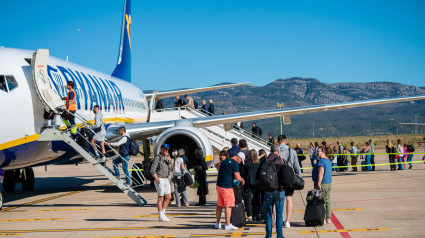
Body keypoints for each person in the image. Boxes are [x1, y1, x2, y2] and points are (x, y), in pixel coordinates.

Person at [259, 144, 285, 238]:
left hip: (267, 190)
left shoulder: (265, 160)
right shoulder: (280, 161)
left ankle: (268, 235)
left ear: (270, 151)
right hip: (279, 190)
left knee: (268, 214)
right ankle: (279, 235)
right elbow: (286, 175)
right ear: (278, 151)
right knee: (279, 215)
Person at [215, 152, 245, 230]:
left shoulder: (224, 161)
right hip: (227, 187)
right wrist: (242, 180)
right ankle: (228, 224)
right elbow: (237, 177)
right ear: (239, 158)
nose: (240, 163)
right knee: (229, 205)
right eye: (241, 161)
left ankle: (218, 223)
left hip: (219, 185)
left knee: (219, 205)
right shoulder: (234, 164)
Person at [277, 135, 301, 228]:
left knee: (278, 199)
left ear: (278, 141)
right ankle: (287, 221)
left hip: (279, 178)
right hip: (290, 178)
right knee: (289, 198)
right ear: (286, 141)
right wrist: (299, 178)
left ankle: (277, 219)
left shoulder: (276, 151)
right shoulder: (292, 151)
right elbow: (297, 166)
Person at [150, 144, 172, 222]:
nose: (167, 151)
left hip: (166, 179)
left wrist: (169, 162)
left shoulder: (166, 157)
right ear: (162, 149)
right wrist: (157, 179)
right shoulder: (157, 157)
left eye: (167, 149)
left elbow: (170, 169)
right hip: (160, 179)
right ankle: (160, 215)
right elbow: (152, 170)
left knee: (169, 197)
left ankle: (163, 213)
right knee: (161, 198)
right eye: (165, 149)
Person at [312, 146, 333, 224]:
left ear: (323, 152)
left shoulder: (321, 161)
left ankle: (322, 218)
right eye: (316, 151)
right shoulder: (328, 160)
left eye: (318, 151)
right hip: (328, 183)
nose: (317, 153)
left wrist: (318, 183)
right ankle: (328, 218)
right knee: (328, 201)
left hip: (323, 184)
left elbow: (321, 172)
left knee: (321, 201)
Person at [243, 149, 261, 223]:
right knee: (256, 199)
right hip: (256, 183)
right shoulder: (258, 164)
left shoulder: (246, 163)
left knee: (248, 199)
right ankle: (257, 215)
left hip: (248, 183)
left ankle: (249, 215)